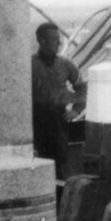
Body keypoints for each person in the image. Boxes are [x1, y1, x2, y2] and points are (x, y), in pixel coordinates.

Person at [30, 21, 85, 164]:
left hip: (58, 121)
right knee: (39, 161)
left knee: (59, 160)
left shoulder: (65, 64)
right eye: (55, 39)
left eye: (59, 39)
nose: (59, 43)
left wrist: (77, 110)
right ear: (42, 41)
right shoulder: (30, 64)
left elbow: (82, 87)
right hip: (36, 120)